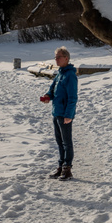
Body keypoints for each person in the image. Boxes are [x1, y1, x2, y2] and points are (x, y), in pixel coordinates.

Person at [39, 46, 77, 179]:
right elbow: (52, 90)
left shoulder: (70, 75)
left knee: (67, 142)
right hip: (56, 112)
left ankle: (67, 169)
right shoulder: (60, 73)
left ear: (66, 58)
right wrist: (47, 96)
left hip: (64, 114)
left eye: (58, 57)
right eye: (55, 57)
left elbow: (73, 98)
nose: (56, 59)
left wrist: (69, 115)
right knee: (59, 142)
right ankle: (61, 167)